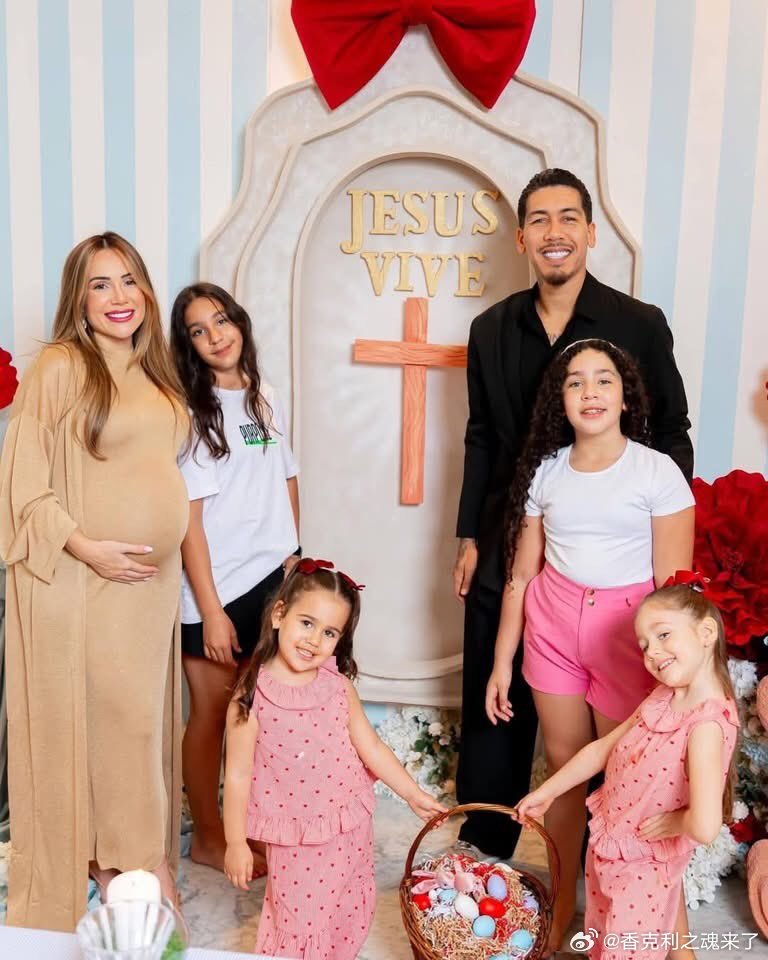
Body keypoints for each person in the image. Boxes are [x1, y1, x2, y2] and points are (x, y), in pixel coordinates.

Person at [453, 168, 694, 862]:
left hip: (616, 536)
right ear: (521, 238)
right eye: (539, 220)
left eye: (567, 218)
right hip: (513, 519)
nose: (553, 232)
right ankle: (488, 838)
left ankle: (607, 846)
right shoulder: (490, 329)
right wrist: (468, 533)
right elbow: (480, 435)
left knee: (618, 698)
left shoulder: (638, 323)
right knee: (495, 663)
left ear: (589, 232)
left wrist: (648, 520)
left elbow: (672, 431)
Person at [0, 232, 189, 929]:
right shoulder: (61, 366)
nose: (118, 297)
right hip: (87, 585)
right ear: (78, 298)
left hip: (150, 589)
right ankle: (137, 880)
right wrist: (88, 549)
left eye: (129, 279)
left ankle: (126, 874)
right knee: (118, 728)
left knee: (135, 730)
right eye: (100, 284)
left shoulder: (155, 369)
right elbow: (23, 484)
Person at [485, 338, 694, 951]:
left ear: (626, 397)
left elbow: (674, 587)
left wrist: (676, 671)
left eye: (604, 380)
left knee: (630, 780)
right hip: (553, 626)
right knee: (565, 770)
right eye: (575, 382)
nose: (590, 392)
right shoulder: (546, 472)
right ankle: (560, 908)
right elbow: (521, 576)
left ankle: (663, 926)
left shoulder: (656, 472)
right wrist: (501, 661)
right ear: (561, 399)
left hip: (628, 634)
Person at [223, 558, 446, 960]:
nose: (314, 640)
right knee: (300, 921)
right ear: (279, 615)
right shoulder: (252, 698)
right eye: (306, 623)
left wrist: (412, 793)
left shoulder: (338, 687)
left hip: (350, 822)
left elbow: (371, 748)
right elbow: (238, 775)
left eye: (328, 632)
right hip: (298, 836)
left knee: (347, 907)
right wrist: (236, 842)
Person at [515, 576, 739, 960]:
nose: (653, 652)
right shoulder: (664, 697)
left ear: (706, 633)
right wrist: (547, 791)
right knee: (606, 938)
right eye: (645, 645)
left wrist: (674, 823)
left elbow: (704, 825)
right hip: (614, 844)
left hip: (643, 864)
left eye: (663, 635)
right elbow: (602, 749)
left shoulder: (705, 726)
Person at [169, 283, 300, 876]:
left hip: (272, 577)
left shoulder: (263, 395)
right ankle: (206, 837)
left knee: (254, 717)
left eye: (221, 321)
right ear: (189, 345)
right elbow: (189, 521)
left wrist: (294, 556)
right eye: (199, 330)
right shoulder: (191, 413)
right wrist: (211, 610)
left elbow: (287, 476)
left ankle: (245, 832)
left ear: (240, 323)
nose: (216, 336)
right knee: (211, 718)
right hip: (217, 588)